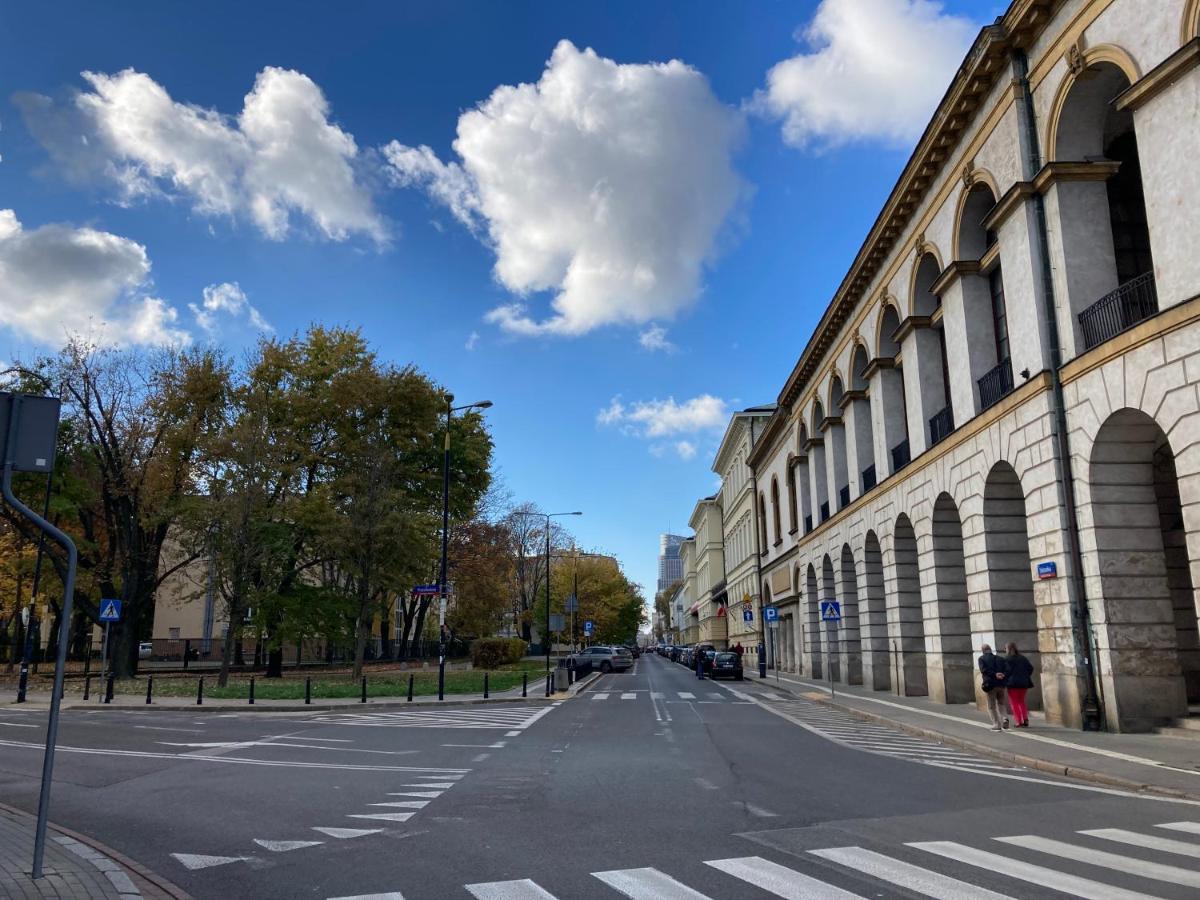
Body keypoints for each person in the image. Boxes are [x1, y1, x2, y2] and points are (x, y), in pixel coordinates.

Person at [977, 644, 1009, 731]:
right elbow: (1008, 670)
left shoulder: (981, 659)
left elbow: (984, 670)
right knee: (1001, 703)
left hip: (990, 685)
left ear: (983, 650)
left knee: (991, 706)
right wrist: (1003, 675)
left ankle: (996, 724)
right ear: (990, 649)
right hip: (1001, 684)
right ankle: (1005, 718)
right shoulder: (1000, 658)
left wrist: (995, 674)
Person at [1004, 642, 1035, 727]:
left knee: (1014, 703)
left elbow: (1006, 672)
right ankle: (1025, 719)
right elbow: (1030, 668)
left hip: (1013, 684)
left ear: (1009, 649)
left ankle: (1019, 721)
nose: (1005, 650)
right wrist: (1025, 676)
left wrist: (1005, 679)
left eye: (1005, 648)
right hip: (1024, 683)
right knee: (1021, 701)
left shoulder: (1007, 659)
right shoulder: (1023, 658)